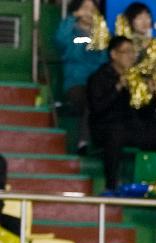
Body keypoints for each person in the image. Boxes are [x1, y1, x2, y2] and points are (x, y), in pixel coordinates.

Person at [86, 36, 156, 189]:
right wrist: (117, 88)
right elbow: (98, 108)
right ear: (114, 55)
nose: (131, 56)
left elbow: (145, 113)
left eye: (133, 52)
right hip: (105, 128)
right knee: (115, 133)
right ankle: (111, 185)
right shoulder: (98, 77)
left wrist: (151, 94)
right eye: (126, 52)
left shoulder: (136, 77)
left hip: (132, 127)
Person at [54, 0, 107, 153]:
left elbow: (104, 60)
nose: (89, 12)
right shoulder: (69, 30)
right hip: (76, 84)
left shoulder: (102, 34)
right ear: (77, 10)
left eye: (93, 9)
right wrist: (72, 18)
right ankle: (84, 141)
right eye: (85, 8)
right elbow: (60, 40)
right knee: (91, 100)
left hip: (98, 84)